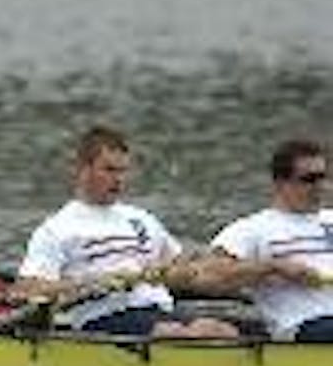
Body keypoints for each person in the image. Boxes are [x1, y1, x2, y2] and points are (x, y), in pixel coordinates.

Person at [17, 125, 235, 337]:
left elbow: (183, 270)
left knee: (225, 330)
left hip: (159, 311)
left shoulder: (141, 218)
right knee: (185, 334)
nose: (119, 179)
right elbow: (27, 290)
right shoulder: (57, 229)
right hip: (104, 318)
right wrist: (95, 281)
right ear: (83, 169)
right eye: (109, 170)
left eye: (123, 171)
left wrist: (179, 272)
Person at [204, 139, 332, 341]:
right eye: (310, 179)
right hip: (303, 324)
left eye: (323, 177)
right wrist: (273, 267)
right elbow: (208, 275)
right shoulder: (254, 228)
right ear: (281, 183)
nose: (320, 186)